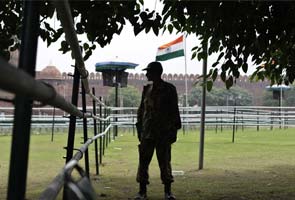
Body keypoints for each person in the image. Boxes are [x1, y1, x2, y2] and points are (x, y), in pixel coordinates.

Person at [135, 61, 181, 200]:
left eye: (149, 71)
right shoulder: (146, 90)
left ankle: (168, 192)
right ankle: (142, 191)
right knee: (143, 162)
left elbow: (174, 111)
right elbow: (141, 110)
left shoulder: (169, 89)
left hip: (163, 132)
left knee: (165, 162)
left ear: (156, 73)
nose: (146, 74)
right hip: (148, 132)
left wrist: (174, 130)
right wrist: (139, 128)